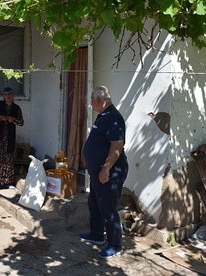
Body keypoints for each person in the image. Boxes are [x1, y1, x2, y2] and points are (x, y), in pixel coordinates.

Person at [79, 85, 129, 259]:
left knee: (108, 207)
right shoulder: (103, 116)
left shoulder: (113, 117)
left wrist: (106, 168)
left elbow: (117, 146)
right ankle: (97, 235)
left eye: (92, 101)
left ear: (98, 100)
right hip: (97, 172)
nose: (91, 104)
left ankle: (115, 245)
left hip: (110, 172)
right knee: (95, 203)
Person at [0, 87, 24, 191]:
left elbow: (21, 123)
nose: (8, 96)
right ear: (3, 96)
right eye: (6, 94)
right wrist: (0, 117)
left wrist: (14, 120)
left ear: (13, 96)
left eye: (10, 94)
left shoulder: (16, 108)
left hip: (9, 139)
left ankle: (8, 183)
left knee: (8, 160)